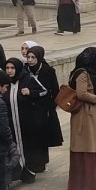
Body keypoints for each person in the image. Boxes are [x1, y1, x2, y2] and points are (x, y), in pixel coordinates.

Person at [66, 48, 96, 190]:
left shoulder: (85, 72)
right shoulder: (82, 73)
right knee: (87, 144)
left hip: (89, 113)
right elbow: (81, 93)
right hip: (85, 113)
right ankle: (86, 181)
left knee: (91, 143)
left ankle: (92, 180)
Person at [20, 44, 63, 172]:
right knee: (30, 137)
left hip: (43, 109)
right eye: (28, 57)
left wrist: (50, 106)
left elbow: (54, 90)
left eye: (33, 57)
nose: (30, 60)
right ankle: (31, 162)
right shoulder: (24, 71)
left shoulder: (47, 71)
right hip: (29, 109)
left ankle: (41, 162)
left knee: (42, 137)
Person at [2, 58, 38, 185]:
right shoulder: (4, 83)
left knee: (27, 148)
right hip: (10, 124)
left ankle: (29, 171)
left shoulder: (28, 79)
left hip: (25, 124)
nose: (10, 71)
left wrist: (31, 92)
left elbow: (43, 92)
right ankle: (14, 174)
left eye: (12, 68)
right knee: (13, 149)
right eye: (7, 68)